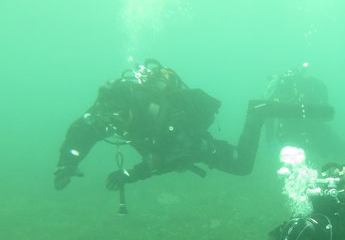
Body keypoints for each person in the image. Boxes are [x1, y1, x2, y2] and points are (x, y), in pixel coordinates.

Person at [53, 59, 289, 192]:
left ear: (131, 107)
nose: (115, 123)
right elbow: (80, 134)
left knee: (242, 165)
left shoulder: (163, 114)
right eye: (110, 118)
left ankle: (257, 112)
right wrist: (67, 163)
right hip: (162, 146)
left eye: (120, 115)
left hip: (190, 142)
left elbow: (175, 155)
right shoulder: (106, 113)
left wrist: (132, 174)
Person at [263, 65, 345, 162]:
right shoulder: (277, 90)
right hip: (290, 135)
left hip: (315, 133)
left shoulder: (310, 89)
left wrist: (304, 111)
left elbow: (327, 115)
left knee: (343, 154)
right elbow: (267, 113)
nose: (285, 97)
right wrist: (269, 138)